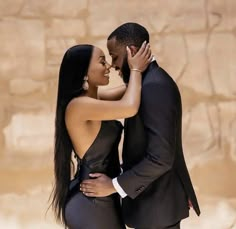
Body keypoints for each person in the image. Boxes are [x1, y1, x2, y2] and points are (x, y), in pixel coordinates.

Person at [80, 22, 201, 229]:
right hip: (151, 206)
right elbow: (105, 100)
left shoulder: (154, 86)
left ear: (132, 51)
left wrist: (113, 186)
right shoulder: (143, 83)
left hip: (158, 207)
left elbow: (161, 158)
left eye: (115, 57)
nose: (113, 65)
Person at [50, 42, 152, 229]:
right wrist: (136, 69)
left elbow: (131, 91)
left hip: (102, 194)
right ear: (84, 73)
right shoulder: (79, 106)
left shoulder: (94, 100)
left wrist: (141, 68)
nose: (109, 66)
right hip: (92, 201)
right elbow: (129, 106)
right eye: (102, 61)